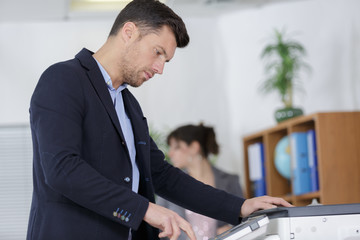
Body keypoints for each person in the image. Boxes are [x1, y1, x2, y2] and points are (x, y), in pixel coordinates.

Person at [26, 0, 292, 240]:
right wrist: (144, 209)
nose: (160, 68)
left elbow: (162, 176)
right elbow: (62, 169)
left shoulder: (128, 105)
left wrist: (240, 206)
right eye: (158, 52)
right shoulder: (63, 80)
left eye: (166, 60)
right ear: (129, 33)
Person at [157, 123, 244, 240]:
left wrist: (230, 229)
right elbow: (157, 229)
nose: (170, 153)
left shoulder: (230, 181)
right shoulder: (168, 184)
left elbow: (244, 221)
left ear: (194, 147)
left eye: (176, 147)